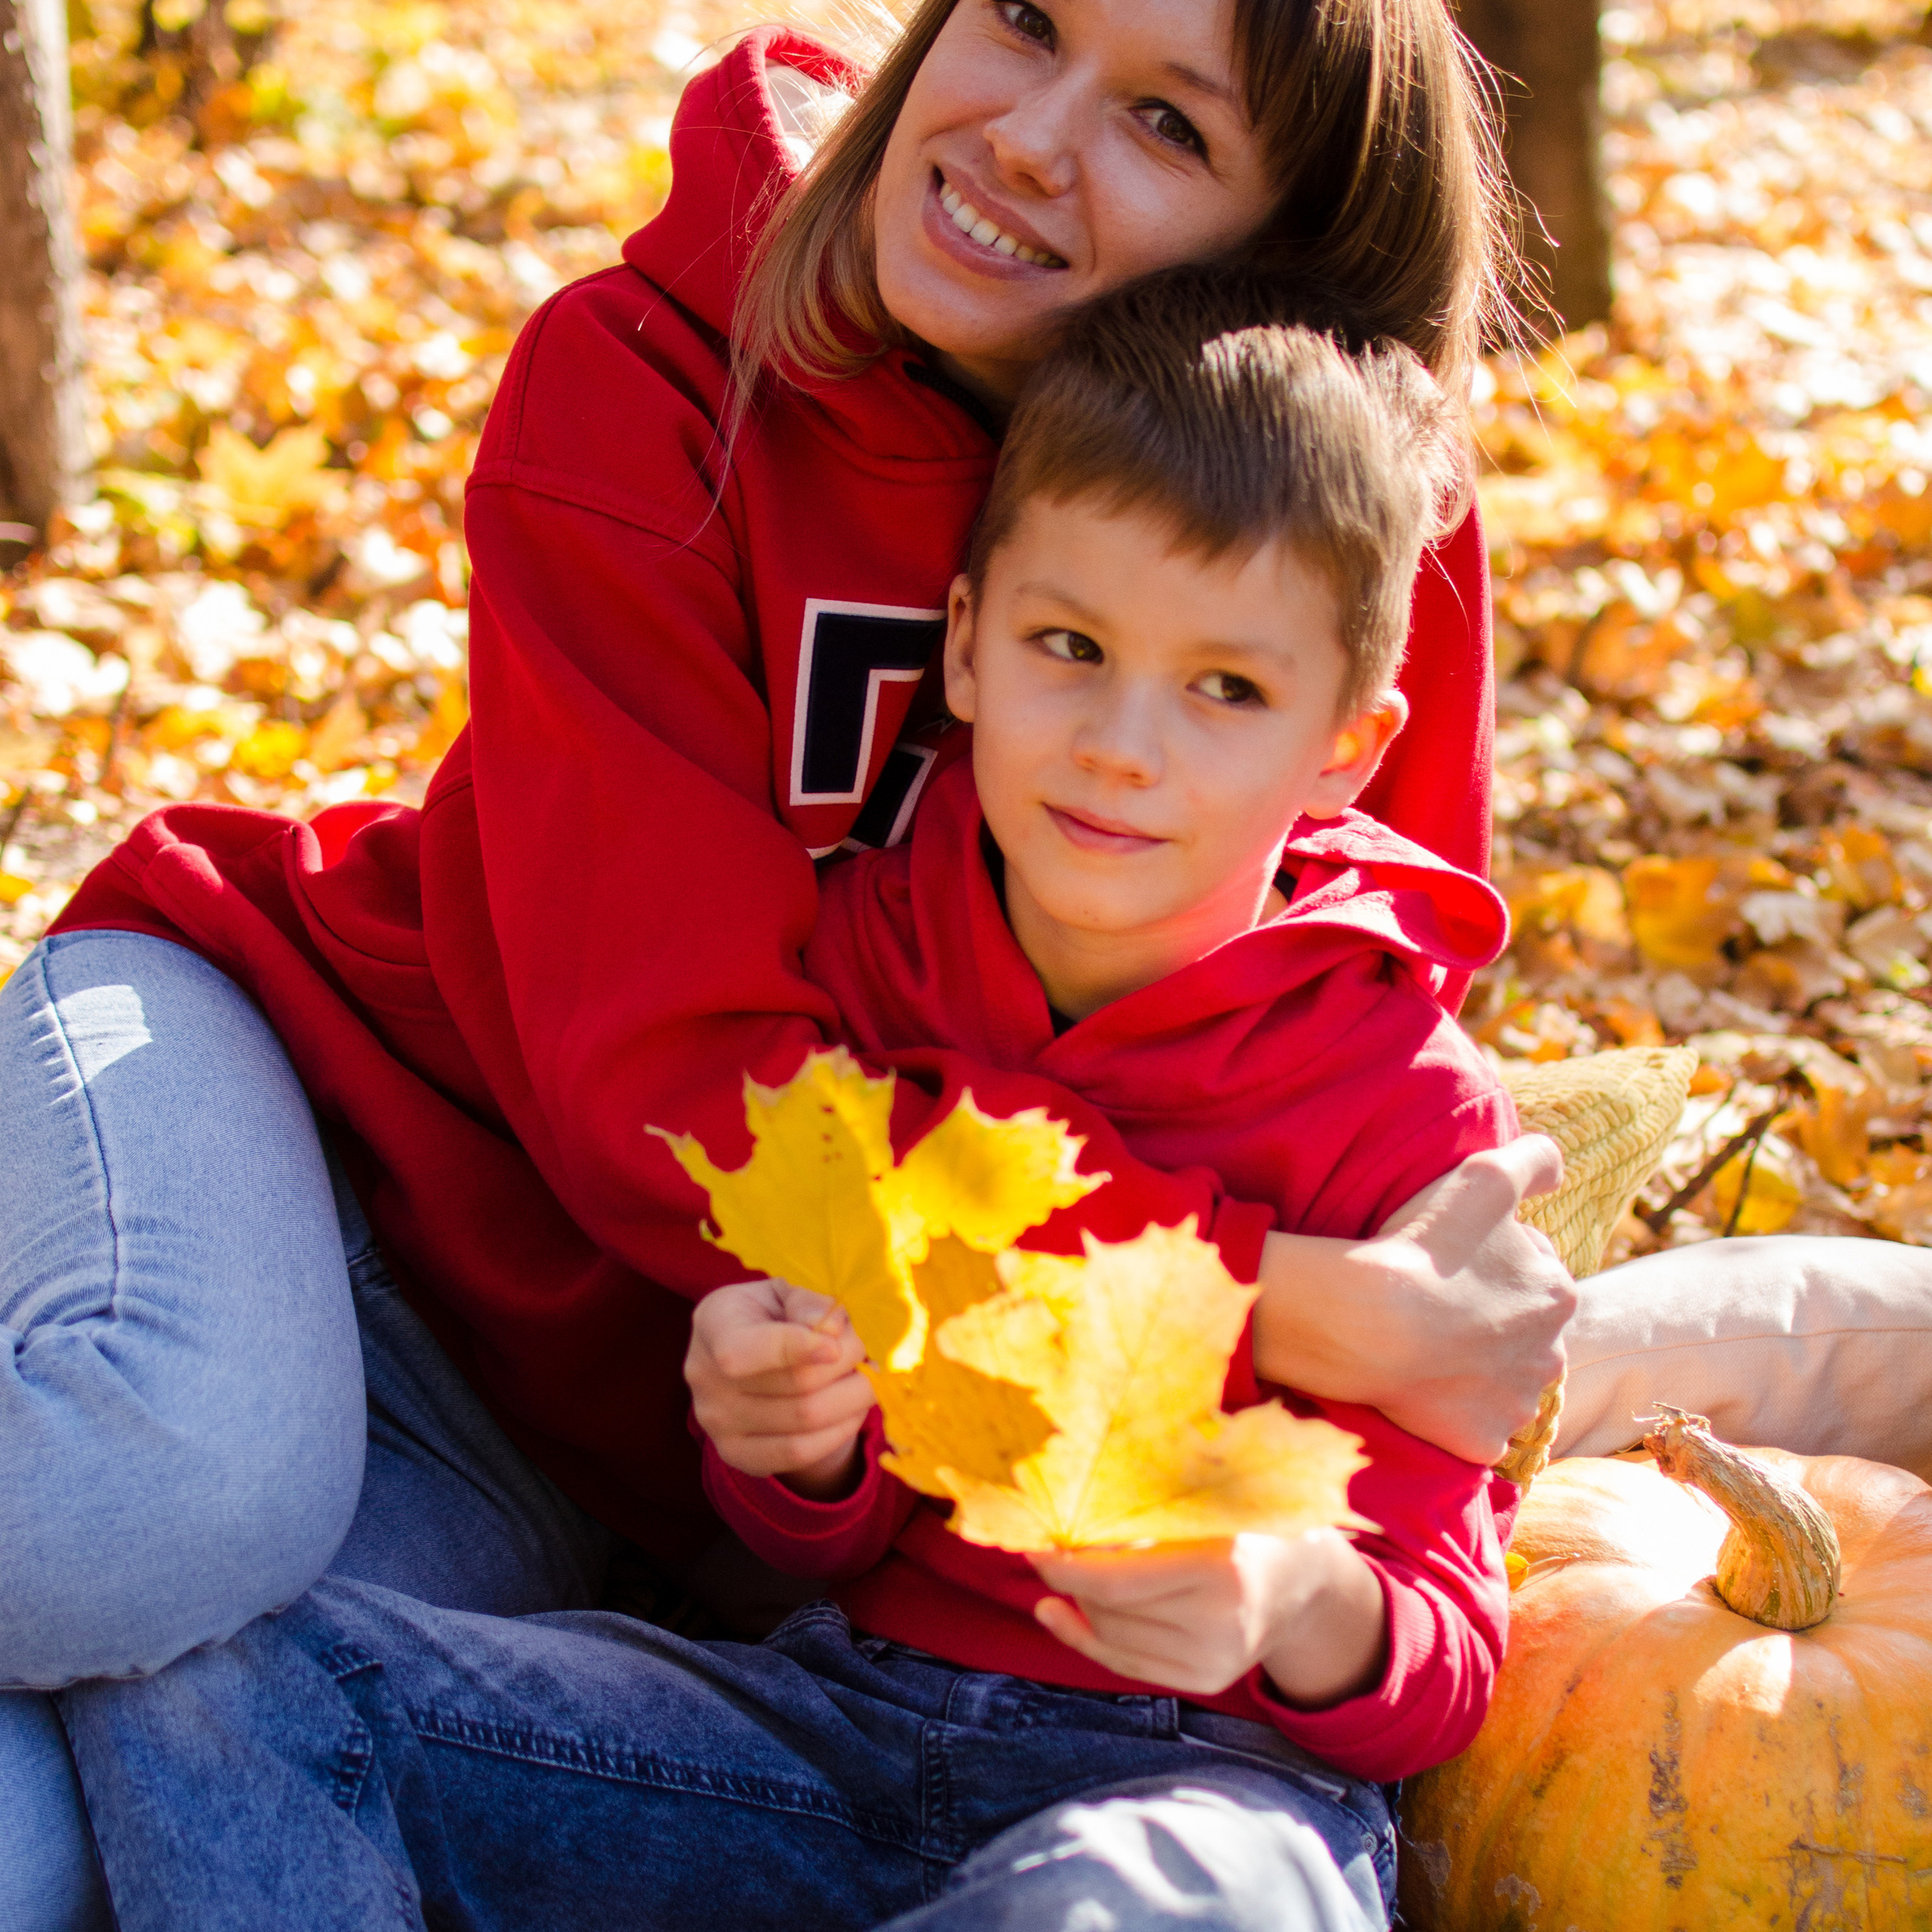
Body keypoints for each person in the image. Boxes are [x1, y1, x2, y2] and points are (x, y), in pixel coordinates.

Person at [60, 263, 1524, 1932]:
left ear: (1345, 744)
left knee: (1152, 1907)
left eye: (1226, 690)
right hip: (830, 1729)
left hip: (1198, 1781)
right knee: (221, 1675)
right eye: (1070, 645)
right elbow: (810, 1530)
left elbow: (1444, 1654)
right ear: (965, 646)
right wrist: (792, 1445)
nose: (1125, 742)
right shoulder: (853, 986)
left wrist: (1287, 1592)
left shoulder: (1402, 1110)